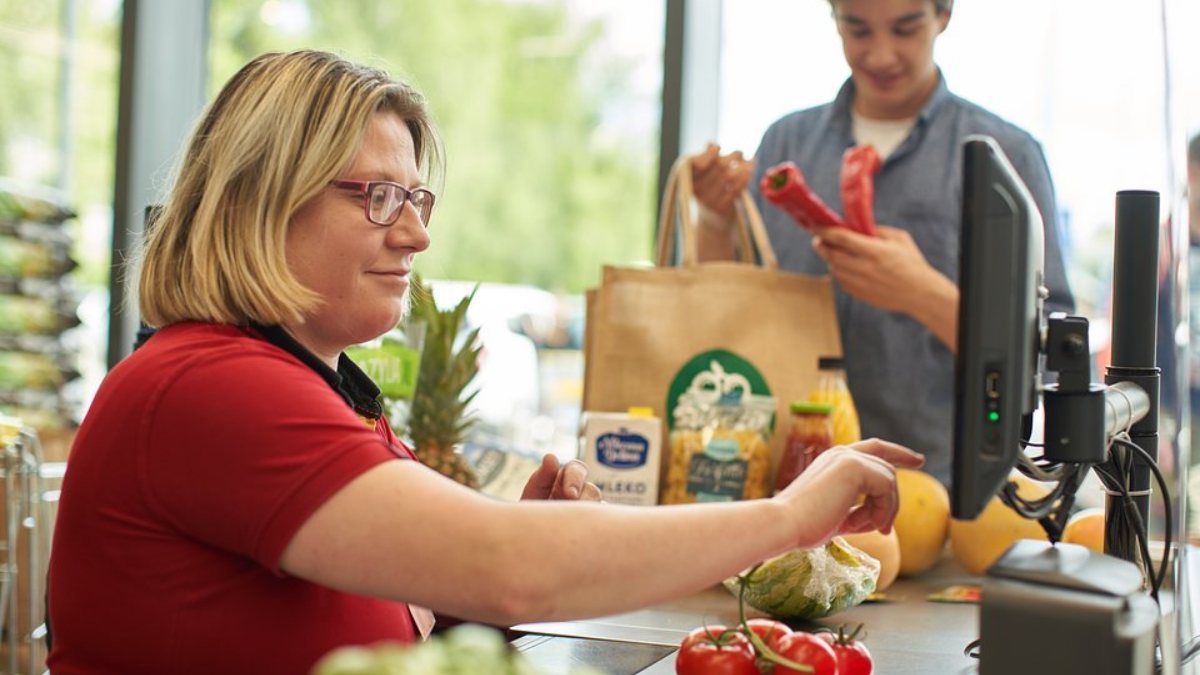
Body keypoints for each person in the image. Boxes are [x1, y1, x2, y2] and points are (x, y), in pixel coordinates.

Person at [46, 50, 923, 674]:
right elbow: (517, 565)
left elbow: (409, 610)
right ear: (258, 199)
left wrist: (475, 581)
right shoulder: (210, 388)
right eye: (378, 196)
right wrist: (791, 517)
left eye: (417, 196)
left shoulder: (314, 383)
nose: (418, 232)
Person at [692, 0, 1074, 485]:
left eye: (905, 29)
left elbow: (1048, 359)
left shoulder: (1006, 157)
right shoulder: (786, 142)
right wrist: (713, 216)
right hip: (782, 481)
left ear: (944, 16)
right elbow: (728, 316)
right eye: (857, 29)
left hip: (937, 488)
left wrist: (922, 294)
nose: (881, 54)